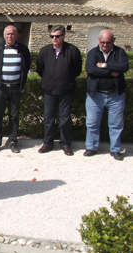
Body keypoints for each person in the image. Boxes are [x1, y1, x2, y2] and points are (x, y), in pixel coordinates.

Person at [36, 25, 82, 156]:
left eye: (57, 36)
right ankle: (48, 143)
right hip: (49, 90)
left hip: (66, 90)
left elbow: (77, 69)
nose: (54, 38)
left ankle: (65, 144)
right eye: (52, 36)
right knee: (48, 118)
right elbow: (40, 69)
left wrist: (65, 77)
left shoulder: (72, 50)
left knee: (65, 119)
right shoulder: (44, 51)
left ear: (63, 36)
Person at [84, 29, 129, 161]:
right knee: (92, 123)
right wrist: (111, 71)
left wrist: (103, 65)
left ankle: (115, 150)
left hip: (115, 95)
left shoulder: (120, 52)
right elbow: (91, 70)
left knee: (116, 124)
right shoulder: (93, 53)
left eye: (108, 42)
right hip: (95, 95)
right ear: (99, 41)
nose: (105, 45)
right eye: (102, 42)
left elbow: (123, 67)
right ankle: (91, 147)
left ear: (113, 41)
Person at [0, 25, 30, 154]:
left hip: (16, 89)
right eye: (8, 34)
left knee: (14, 117)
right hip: (1, 88)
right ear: (4, 35)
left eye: (12, 34)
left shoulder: (23, 49)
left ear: (16, 35)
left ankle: (12, 142)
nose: (10, 36)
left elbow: (26, 66)